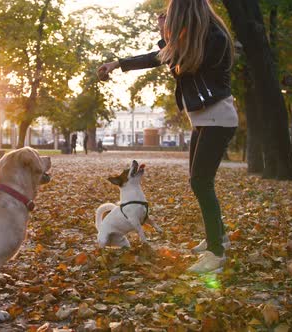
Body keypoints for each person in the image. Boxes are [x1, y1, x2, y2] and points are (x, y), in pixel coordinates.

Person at [97, 0, 238, 274]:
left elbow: (183, 64)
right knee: (198, 181)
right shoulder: (193, 37)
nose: (167, 20)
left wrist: (166, 37)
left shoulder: (214, 38)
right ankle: (218, 237)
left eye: (171, 16)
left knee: (201, 182)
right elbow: (159, 57)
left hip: (217, 119)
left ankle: (216, 254)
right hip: (204, 121)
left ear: (185, 13)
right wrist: (117, 64)